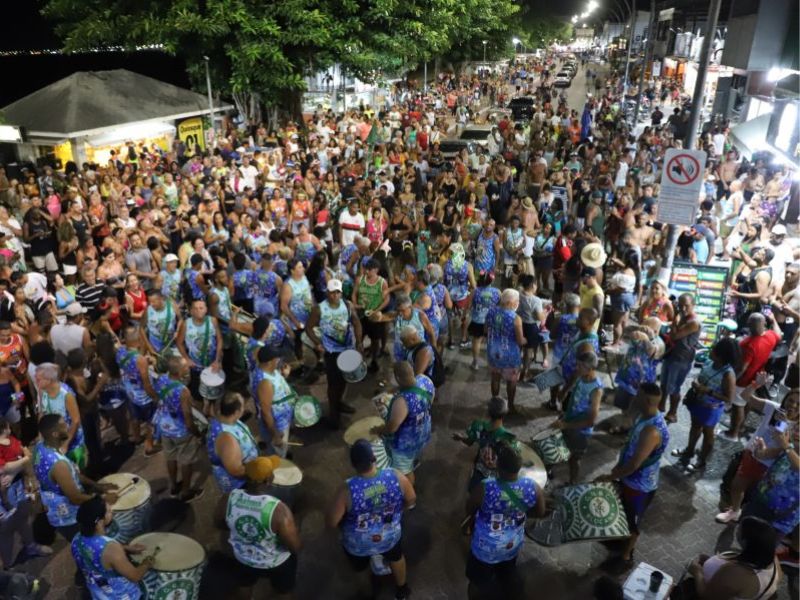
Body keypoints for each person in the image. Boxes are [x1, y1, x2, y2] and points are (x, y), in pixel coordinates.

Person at [327, 438, 415, 600]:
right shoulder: (396, 476)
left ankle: (368, 594)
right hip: (389, 535)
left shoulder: (347, 489)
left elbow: (332, 522)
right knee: (396, 557)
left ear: (354, 464)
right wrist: (398, 511)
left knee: (359, 567)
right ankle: (402, 590)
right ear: (374, 458)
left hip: (358, 542)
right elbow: (411, 500)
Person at [595, 383, 669, 569]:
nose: (633, 397)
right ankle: (619, 541)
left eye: (638, 395)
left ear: (646, 401)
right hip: (630, 479)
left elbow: (635, 465)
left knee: (633, 522)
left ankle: (626, 557)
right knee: (623, 513)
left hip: (640, 486)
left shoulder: (652, 431)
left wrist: (609, 477)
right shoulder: (644, 417)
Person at [465, 444, 545, 600]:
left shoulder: (486, 487)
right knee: (505, 572)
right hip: (512, 543)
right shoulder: (532, 487)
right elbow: (540, 512)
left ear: (498, 466)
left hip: (485, 546)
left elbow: (469, 509)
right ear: (519, 467)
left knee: (477, 581)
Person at [716, 375, 798, 524]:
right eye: (791, 400)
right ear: (785, 399)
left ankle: (746, 518)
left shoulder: (797, 428)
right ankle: (735, 511)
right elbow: (745, 396)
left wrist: (784, 427)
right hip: (752, 455)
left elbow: (785, 449)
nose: (793, 405)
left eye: (799, 404)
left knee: (757, 496)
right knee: (737, 486)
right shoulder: (773, 408)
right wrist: (755, 384)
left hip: (771, 468)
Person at [224, 456, 301, 599]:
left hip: (243, 558)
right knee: (283, 592)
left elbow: (218, 522)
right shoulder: (279, 511)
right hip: (276, 562)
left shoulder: (230, 498)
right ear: (268, 480)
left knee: (244, 585)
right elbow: (294, 547)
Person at [32, 414, 119, 541]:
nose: (67, 427)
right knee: (90, 546)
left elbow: (72, 474)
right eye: (63, 425)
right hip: (70, 517)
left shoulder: (40, 447)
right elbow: (75, 498)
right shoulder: (59, 464)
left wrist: (97, 486)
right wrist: (103, 499)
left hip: (56, 511)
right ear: (55, 434)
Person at [671, 338, 740, 473]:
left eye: (713, 350)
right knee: (695, 427)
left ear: (721, 355)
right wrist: (696, 383)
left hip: (711, 410)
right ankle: (689, 451)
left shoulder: (728, 374)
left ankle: (701, 461)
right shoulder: (709, 362)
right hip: (698, 403)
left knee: (708, 435)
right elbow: (701, 377)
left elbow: (728, 399)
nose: (710, 351)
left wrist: (707, 391)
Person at [71, 495, 154, 599]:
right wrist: (146, 563)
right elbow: (135, 576)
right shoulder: (111, 548)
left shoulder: (76, 539)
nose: (112, 513)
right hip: (120, 595)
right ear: (100, 522)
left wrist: (126, 548)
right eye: (109, 512)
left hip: (98, 592)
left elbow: (96, 553)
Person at [306, 278, 363, 428]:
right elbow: (309, 328)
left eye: (338, 292)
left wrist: (359, 341)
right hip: (331, 352)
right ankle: (333, 414)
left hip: (347, 349)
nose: (335, 295)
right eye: (332, 292)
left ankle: (339, 402)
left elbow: (356, 322)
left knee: (345, 378)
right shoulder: (319, 309)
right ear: (327, 292)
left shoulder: (348, 305)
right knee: (333, 383)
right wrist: (318, 343)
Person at [685, 517, 781, 599]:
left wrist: (697, 571)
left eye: (739, 529)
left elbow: (707, 596)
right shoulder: (771, 558)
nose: (737, 529)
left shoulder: (737, 573)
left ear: (745, 541)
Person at [151, 356, 204, 502]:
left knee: (170, 457)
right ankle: (186, 491)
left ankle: (174, 485)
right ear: (179, 371)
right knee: (186, 460)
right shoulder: (182, 390)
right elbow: (187, 417)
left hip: (164, 426)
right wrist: (196, 432)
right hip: (181, 431)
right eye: (186, 367)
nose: (188, 369)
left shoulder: (161, 380)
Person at [370, 362, 432, 487]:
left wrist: (379, 430)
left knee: (404, 471)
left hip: (406, 443)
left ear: (397, 377)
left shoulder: (403, 400)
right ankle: (412, 461)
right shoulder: (425, 382)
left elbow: (392, 428)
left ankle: (408, 495)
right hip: (422, 432)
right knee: (413, 456)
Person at [726, 312, 782, 441]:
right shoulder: (770, 336)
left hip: (743, 380)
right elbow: (778, 334)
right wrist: (774, 320)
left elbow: (742, 367)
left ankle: (733, 433)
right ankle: (741, 427)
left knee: (737, 405)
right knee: (747, 402)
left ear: (748, 325)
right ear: (764, 324)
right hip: (756, 378)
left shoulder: (748, 344)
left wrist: (731, 380)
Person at [552, 351, 603, 484]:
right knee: (558, 447)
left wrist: (566, 425)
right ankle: (550, 471)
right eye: (577, 364)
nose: (577, 368)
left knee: (574, 459)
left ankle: (572, 482)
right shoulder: (582, 377)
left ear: (590, 369)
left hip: (581, 432)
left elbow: (591, 421)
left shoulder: (596, 390)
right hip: (569, 422)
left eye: (580, 366)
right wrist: (565, 414)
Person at [453, 396, 520, 491]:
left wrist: (460, 437)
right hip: (499, 476)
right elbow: (514, 461)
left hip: (480, 471)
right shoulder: (508, 437)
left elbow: (469, 441)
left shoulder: (477, 426)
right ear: (505, 414)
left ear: (488, 413)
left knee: (475, 491)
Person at [115, 326, 159, 456]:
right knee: (151, 421)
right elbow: (146, 383)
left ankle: (137, 437)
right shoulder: (139, 359)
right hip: (144, 397)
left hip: (129, 392)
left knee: (134, 417)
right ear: (139, 340)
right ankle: (149, 446)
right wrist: (155, 396)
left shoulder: (120, 352)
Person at [36, 362, 89, 469]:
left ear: (49, 380)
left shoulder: (66, 394)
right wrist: (41, 436)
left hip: (71, 442)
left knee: (77, 470)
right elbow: (42, 412)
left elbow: (75, 420)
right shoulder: (43, 391)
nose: (36, 382)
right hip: (54, 440)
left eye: (39, 379)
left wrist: (65, 444)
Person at [176, 298, 223, 415]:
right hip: (196, 367)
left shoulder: (213, 321)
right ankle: (201, 411)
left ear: (206, 309)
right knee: (198, 392)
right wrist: (186, 359)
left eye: (201, 308)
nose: (198, 311)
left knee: (213, 391)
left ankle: (211, 409)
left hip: (211, 366)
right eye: (195, 308)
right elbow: (179, 342)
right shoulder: (186, 324)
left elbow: (219, 340)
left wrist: (217, 360)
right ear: (191, 311)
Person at [660, 293, 702, 423]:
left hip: (681, 359)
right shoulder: (683, 317)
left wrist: (674, 321)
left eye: (687, 306)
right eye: (681, 305)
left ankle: (673, 412)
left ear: (693, 305)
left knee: (673, 387)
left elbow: (674, 336)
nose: (683, 308)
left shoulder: (693, 322)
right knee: (664, 383)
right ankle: (661, 406)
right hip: (672, 355)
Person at [207, 393, 259, 494]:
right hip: (239, 484)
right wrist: (258, 471)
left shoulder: (223, 418)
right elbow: (236, 470)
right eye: (243, 406)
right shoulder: (227, 439)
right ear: (237, 412)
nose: (245, 408)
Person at [485, 289, 526, 412]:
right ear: (511, 302)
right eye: (517, 301)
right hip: (510, 356)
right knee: (511, 382)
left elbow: (486, 330)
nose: (518, 303)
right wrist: (526, 340)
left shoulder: (491, 312)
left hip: (493, 353)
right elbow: (519, 340)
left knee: (495, 378)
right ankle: (511, 406)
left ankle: (495, 402)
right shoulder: (515, 318)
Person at [252, 345, 295, 456]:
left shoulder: (268, 370)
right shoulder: (265, 383)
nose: (279, 360)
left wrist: (284, 375)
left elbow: (275, 390)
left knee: (281, 450)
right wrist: (275, 435)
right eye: (277, 358)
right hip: (277, 424)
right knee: (278, 457)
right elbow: (266, 412)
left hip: (283, 419)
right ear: (270, 362)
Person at [469, 272, 501, 371]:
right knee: (491, 342)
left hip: (477, 321)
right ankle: (492, 363)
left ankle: (475, 362)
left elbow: (468, 306)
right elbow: (500, 306)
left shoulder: (475, 291)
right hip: (492, 321)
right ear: (492, 280)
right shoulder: (497, 292)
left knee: (476, 342)